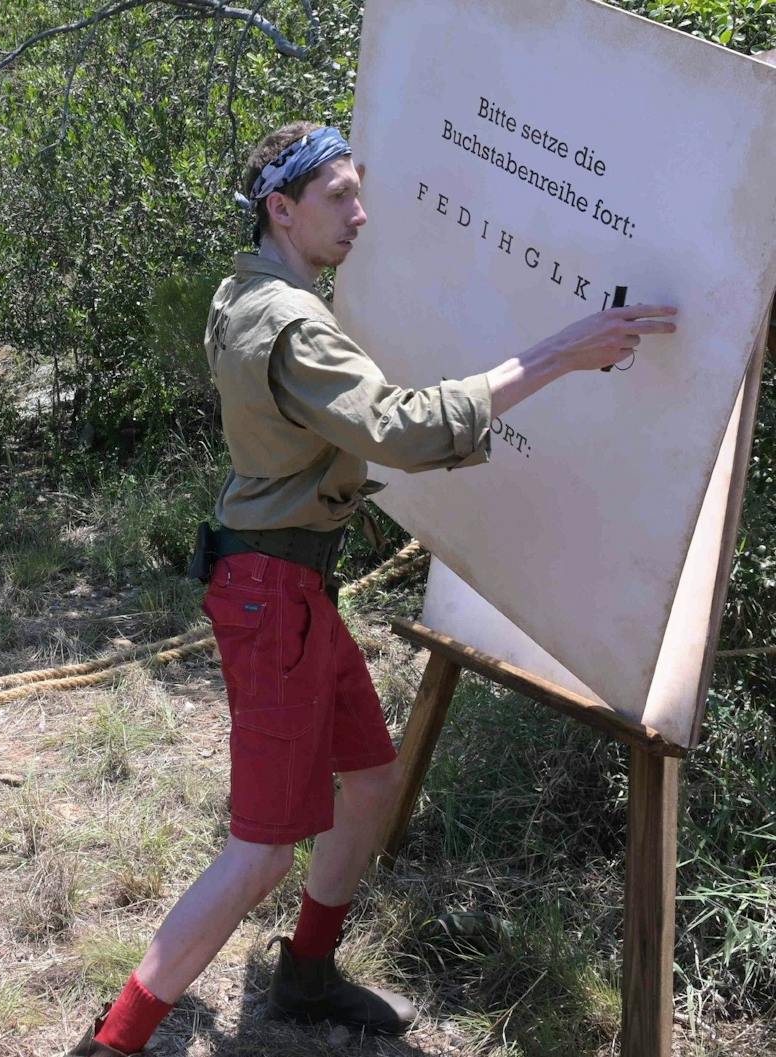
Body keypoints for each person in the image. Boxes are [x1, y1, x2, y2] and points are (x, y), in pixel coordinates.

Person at [65, 121, 677, 1054]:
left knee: (373, 776)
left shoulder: (250, 289)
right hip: (274, 595)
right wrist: (560, 352)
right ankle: (117, 1039)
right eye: (338, 197)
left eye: (359, 190)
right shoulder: (291, 321)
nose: (361, 213)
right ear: (282, 208)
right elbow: (398, 428)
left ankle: (305, 975)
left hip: (290, 588)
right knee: (263, 847)